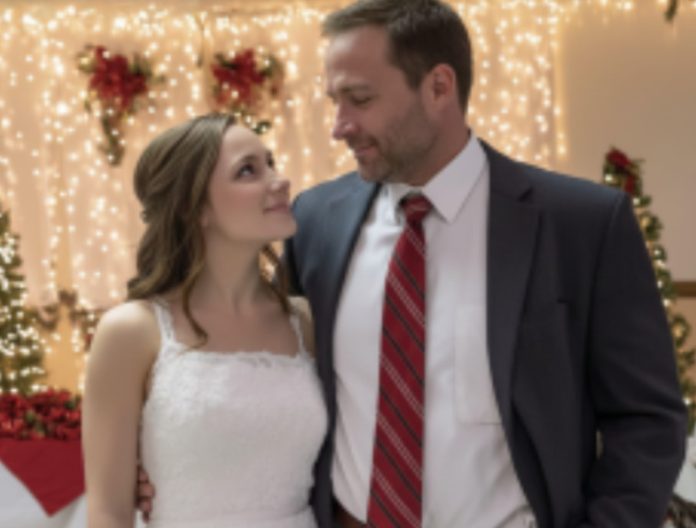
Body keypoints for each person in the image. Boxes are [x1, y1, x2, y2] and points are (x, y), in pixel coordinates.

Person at [284, 1, 687, 527]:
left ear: (439, 87)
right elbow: (282, 386)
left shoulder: (583, 224)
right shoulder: (314, 221)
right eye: (334, 101)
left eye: (360, 99)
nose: (340, 127)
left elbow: (647, 420)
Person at [83, 113, 327, 528]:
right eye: (248, 170)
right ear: (193, 207)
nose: (280, 180)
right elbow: (108, 513)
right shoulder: (131, 332)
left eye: (270, 163)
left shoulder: (305, 322)